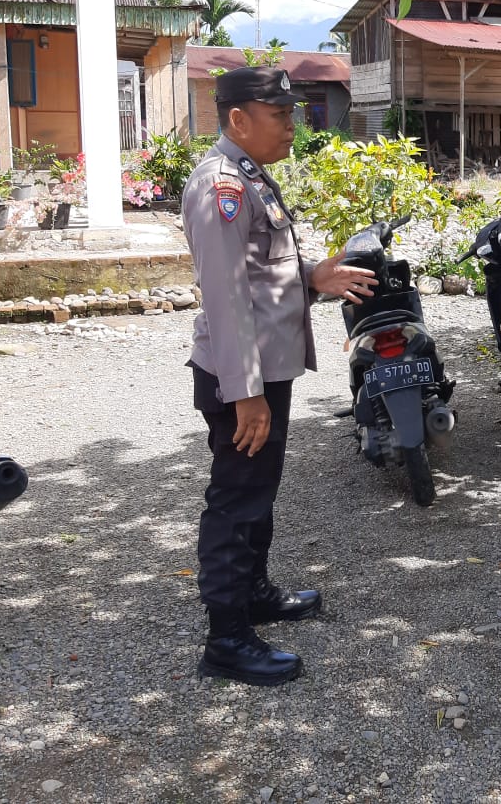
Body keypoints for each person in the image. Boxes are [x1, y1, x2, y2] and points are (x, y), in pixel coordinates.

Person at [182, 66, 377, 687]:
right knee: (236, 499)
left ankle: (254, 593)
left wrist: (314, 276)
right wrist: (246, 395)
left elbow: (262, 271)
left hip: (265, 370)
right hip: (243, 376)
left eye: (293, 113)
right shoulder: (220, 185)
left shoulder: (249, 175)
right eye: (281, 115)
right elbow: (226, 296)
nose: (294, 126)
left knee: (258, 491)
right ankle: (227, 638)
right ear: (239, 119)